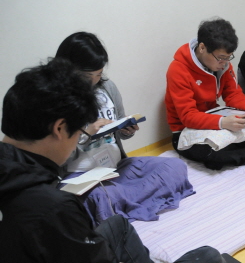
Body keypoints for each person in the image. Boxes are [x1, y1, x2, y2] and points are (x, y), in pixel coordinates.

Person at [0, 58, 227, 263]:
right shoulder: (51, 206)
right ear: (59, 128)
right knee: (210, 262)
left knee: (117, 225)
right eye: (78, 132)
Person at [55, 32, 194, 226]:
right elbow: (55, 155)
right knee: (98, 198)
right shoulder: (56, 99)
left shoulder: (107, 88)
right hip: (81, 176)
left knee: (174, 167)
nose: (94, 81)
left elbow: (118, 128)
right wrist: (86, 133)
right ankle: (126, 201)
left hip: (115, 167)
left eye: (99, 74)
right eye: (87, 76)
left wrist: (125, 130)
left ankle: (121, 203)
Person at [165, 18, 245, 170]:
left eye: (228, 57)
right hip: (186, 130)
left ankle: (233, 155)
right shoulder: (178, 69)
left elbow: (232, 95)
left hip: (215, 120)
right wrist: (222, 123)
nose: (225, 63)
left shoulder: (223, 65)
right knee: (206, 151)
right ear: (202, 47)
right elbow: (188, 116)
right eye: (221, 58)